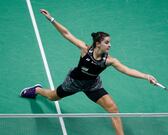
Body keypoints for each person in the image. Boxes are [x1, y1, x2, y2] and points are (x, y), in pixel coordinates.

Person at [20, 9, 157, 135]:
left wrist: (147, 76)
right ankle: (37, 89)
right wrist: (51, 19)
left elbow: (127, 70)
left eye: (110, 43)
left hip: (92, 85)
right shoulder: (85, 49)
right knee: (52, 96)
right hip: (74, 82)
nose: (110, 45)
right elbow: (66, 34)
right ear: (98, 43)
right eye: (107, 42)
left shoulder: (110, 60)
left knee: (113, 109)